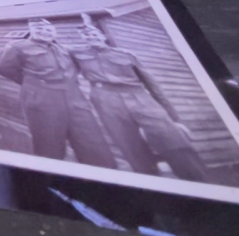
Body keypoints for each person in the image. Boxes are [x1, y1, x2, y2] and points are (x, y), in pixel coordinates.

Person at [69, 22, 209, 182]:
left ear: (103, 37)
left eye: (94, 34)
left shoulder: (126, 54)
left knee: (169, 136)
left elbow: (152, 84)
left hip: (139, 96)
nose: (91, 37)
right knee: (128, 143)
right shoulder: (76, 53)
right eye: (86, 35)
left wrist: (175, 118)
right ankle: (150, 182)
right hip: (105, 99)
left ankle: (196, 178)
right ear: (82, 39)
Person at [0, 19, 116, 167]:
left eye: (48, 29)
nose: (45, 32)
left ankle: (102, 173)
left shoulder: (64, 49)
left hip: (74, 97)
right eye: (39, 29)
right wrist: (33, 84)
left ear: (54, 32)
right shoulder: (18, 47)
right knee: (49, 145)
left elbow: (74, 68)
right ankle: (50, 177)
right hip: (43, 100)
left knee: (92, 140)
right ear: (31, 30)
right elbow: (4, 68)